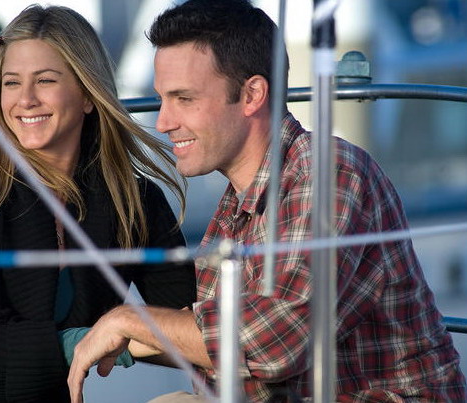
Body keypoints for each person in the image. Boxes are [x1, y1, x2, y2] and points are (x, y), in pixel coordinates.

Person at [67, 0, 467, 402]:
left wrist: (129, 321)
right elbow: (222, 342)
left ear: (252, 94)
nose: (163, 122)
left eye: (184, 99)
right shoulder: (235, 206)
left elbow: (276, 344)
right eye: (162, 99)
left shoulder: (328, 172)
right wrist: (102, 337)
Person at [0, 4, 196, 402]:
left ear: (88, 95)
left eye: (45, 80)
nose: (26, 99)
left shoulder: (132, 200)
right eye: (11, 83)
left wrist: (125, 332)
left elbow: (188, 320)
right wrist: (106, 337)